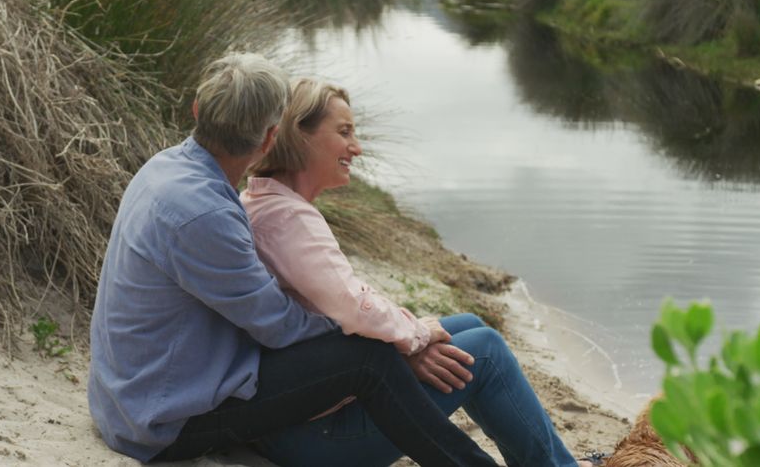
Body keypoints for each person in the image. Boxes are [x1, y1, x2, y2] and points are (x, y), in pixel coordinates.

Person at [87, 53, 498, 466]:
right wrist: (376, 333)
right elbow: (279, 327)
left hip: (128, 395)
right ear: (269, 138)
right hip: (164, 422)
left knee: (449, 332)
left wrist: (392, 332)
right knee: (370, 358)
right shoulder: (206, 214)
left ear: (197, 110)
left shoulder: (164, 168)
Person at [240, 78, 593, 467]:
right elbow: (354, 308)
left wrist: (409, 343)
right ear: (299, 135)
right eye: (344, 133)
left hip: (303, 410)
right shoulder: (287, 218)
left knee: (467, 324)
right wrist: (413, 338)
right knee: (486, 352)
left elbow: (342, 307)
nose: (356, 148)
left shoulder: (267, 201)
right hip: (314, 436)